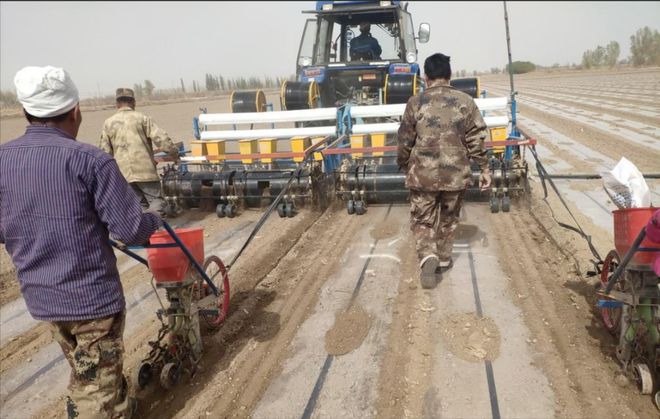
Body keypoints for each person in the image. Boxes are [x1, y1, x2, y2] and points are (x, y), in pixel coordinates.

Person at [0, 66, 162, 418]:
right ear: (75, 111)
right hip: (92, 303)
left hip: (43, 298)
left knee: (89, 370)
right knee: (94, 392)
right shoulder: (90, 161)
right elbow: (130, 230)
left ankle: (115, 402)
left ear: (26, 112)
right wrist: (157, 220)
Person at [397, 53, 492, 289]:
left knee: (422, 219)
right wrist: (485, 168)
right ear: (449, 75)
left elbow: (405, 140)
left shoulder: (415, 102)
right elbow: (476, 138)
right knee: (448, 219)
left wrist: (402, 162)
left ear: (426, 77)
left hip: (423, 176)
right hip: (456, 176)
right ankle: (444, 257)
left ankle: (428, 256)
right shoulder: (465, 102)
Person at [99, 88, 179, 214]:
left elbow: (104, 152)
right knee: (157, 202)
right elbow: (162, 139)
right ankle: (157, 229)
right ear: (134, 102)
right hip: (145, 172)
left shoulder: (108, 123)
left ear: (117, 104)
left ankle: (146, 232)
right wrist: (175, 154)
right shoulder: (142, 118)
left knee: (138, 208)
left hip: (123, 174)